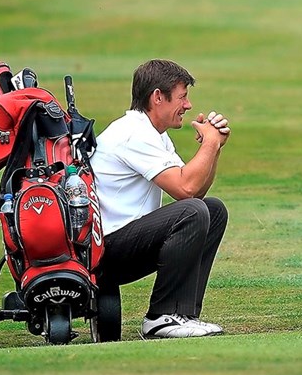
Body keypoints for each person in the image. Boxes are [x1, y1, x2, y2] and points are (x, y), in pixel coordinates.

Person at [91, 59, 231, 338]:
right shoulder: (133, 133)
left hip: (123, 243)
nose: (188, 105)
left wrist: (212, 149)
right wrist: (212, 142)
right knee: (192, 211)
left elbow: (196, 190)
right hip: (104, 252)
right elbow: (186, 190)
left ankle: (183, 315)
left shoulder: (153, 134)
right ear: (157, 97)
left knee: (212, 210)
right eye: (182, 97)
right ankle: (161, 317)